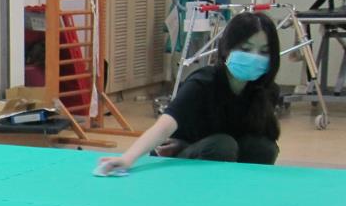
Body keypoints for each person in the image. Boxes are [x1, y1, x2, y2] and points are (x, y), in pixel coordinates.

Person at [97, 11, 281, 175]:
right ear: (226, 49)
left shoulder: (266, 90)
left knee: (264, 148)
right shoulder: (203, 82)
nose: (254, 57)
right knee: (222, 145)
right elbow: (164, 126)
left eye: (264, 51)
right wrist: (127, 158)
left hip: (215, 155)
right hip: (180, 159)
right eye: (246, 49)